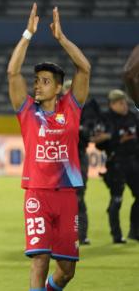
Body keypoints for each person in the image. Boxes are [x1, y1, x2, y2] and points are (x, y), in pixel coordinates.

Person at [7, 3, 90, 291]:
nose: (37, 86)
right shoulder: (27, 111)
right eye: (36, 81)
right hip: (37, 194)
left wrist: (62, 39)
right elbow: (12, 73)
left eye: (44, 82)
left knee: (67, 270)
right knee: (39, 258)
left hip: (67, 196)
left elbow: (84, 68)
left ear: (58, 88)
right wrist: (28, 34)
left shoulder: (72, 108)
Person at [94, 89, 139, 243]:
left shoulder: (132, 117)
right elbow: (98, 142)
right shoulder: (105, 120)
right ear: (112, 104)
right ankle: (117, 235)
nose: (124, 105)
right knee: (117, 200)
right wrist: (111, 137)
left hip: (134, 162)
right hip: (116, 164)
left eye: (125, 102)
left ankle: (135, 231)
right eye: (121, 103)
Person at [62, 80, 103, 245]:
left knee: (77, 196)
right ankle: (62, 235)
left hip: (76, 156)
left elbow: (89, 131)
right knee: (58, 198)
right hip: (59, 157)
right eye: (67, 91)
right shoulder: (55, 109)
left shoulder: (85, 111)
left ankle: (80, 235)